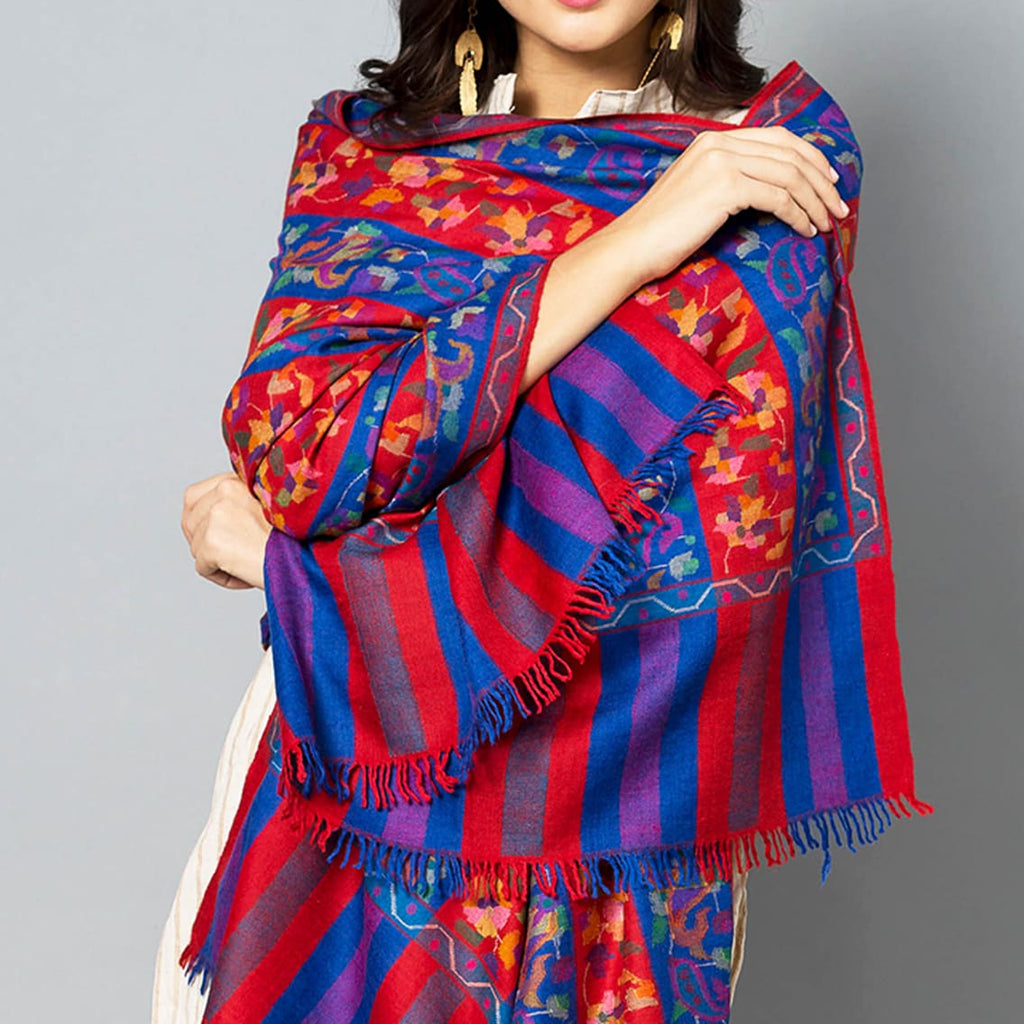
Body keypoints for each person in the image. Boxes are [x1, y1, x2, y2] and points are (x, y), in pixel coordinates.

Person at [158, 2, 930, 1021]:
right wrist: (640, 240)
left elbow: (678, 546)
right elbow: (309, 456)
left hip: (624, 821)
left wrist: (290, 567)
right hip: (339, 753)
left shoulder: (765, 163)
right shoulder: (368, 161)